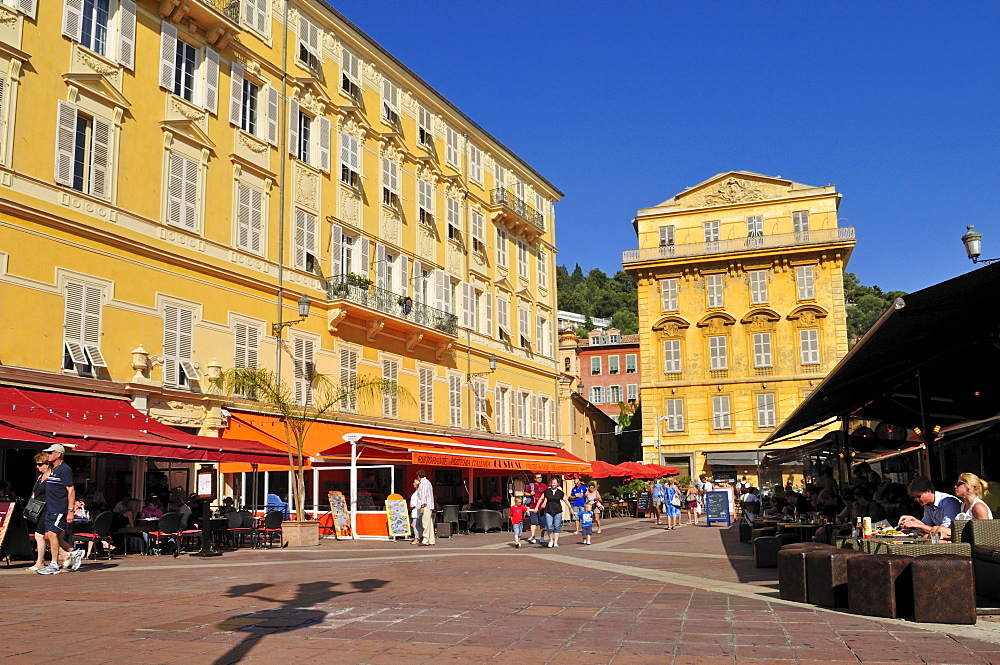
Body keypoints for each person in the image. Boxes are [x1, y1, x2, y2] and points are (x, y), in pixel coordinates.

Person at [37, 444, 83, 574]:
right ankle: (73, 552)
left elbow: (71, 490)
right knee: (47, 536)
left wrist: (70, 511)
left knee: (52, 534)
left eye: (50, 452)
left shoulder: (64, 469)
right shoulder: (54, 469)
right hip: (50, 508)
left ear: (59, 454)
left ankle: (54, 564)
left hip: (58, 508)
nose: (48, 455)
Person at [940, 473, 993, 541]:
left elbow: (985, 533)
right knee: (937, 531)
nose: (955, 486)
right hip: (966, 542)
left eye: (959, 484)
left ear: (969, 487)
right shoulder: (964, 505)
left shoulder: (978, 506)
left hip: (977, 546)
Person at [28, 453, 51, 572]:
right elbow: (34, 494)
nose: (38, 467)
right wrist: (28, 509)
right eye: (37, 465)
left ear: (47, 464)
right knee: (46, 537)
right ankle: (66, 554)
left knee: (39, 535)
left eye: (40, 464)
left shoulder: (52, 477)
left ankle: (40, 562)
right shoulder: (39, 477)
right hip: (38, 509)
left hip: (48, 509)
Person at [537, 476, 572, 548]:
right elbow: (541, 499)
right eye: (552, 483)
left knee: (557, 526)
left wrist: (570, 508)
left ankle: (555, 542)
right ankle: (551, 540)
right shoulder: (547, 491)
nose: (553, 484)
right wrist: (537, 506)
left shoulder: (560, 492)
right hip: (548, 510)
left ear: (557, 484)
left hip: (557, 511)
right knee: (549, 526)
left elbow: (566, 500)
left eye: (555, 483)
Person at [524, 473, 548, 544]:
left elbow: (547, 495)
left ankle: (542, 537)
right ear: (535, 479)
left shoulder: (544, 486)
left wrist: (545, 503)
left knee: (542, 523)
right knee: (533, 523)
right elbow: (525, 493)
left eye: (540, 477)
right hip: (533, 507)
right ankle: (533, 537)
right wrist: (530, 494)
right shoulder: (531, 486)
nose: (540, 478)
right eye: (538, 477)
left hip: (542, 508)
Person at [414, 470, 435, 546]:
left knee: (425, 523)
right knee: (429, 523)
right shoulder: (428, 482)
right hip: (430, 505)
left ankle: (425, 540)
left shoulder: (423, 483)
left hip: (426, 505)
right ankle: (431, 540)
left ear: (418, 476)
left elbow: (423, 495)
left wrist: (422, 506)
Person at [409, 478, 423, 545]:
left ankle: (416, 538)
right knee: (419, 525)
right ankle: (420, 537)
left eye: (414, 483)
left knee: (415, 525)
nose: (413, 484)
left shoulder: (418, 493)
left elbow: (419, 501)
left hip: (416, 510)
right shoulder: (417, 492)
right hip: (416, 510)